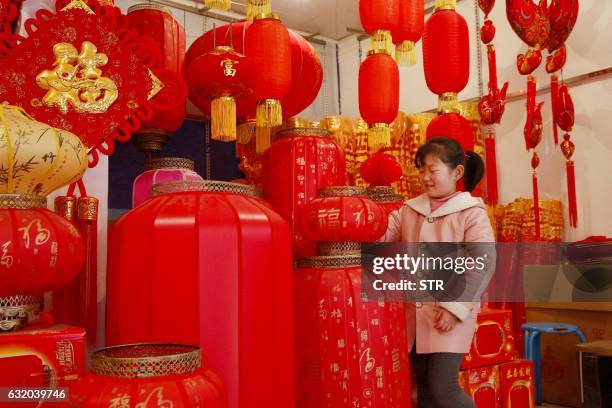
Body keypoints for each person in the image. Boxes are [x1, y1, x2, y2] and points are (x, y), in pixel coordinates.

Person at [379, 136, 495, 408]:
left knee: (443, 388)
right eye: (421, 170)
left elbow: (483, 261)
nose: (426, 177)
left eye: (433, 170)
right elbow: (381, 234)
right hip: (416, 314)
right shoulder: (409, 209)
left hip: (451, 313)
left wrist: (455, 307)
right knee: (427, 392)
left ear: (457, 173)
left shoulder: (471, 212)